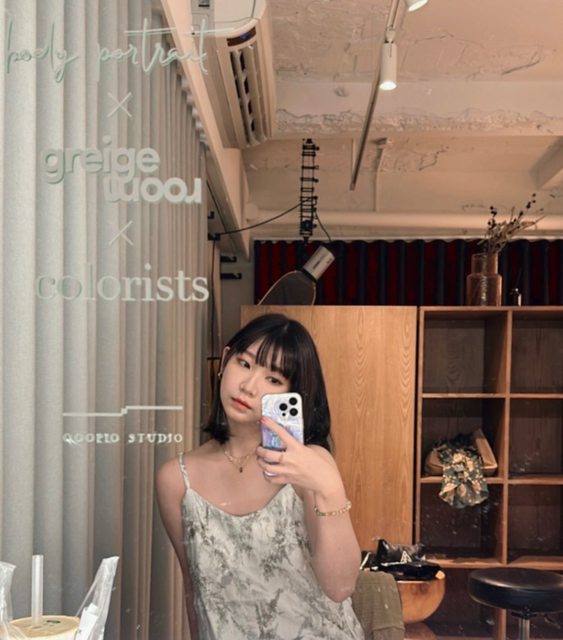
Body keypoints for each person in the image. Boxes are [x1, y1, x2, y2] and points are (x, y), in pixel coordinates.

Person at [156, 313, 364, 639]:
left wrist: (329, 488)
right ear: (225, 360)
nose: (248, 386)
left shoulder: (308, 466)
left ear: (292, 394)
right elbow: (196, 593)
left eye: (274, 379)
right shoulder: (176, 479)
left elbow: (340, 587)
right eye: (245, 363)